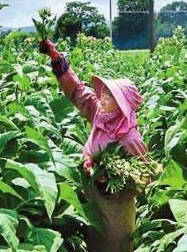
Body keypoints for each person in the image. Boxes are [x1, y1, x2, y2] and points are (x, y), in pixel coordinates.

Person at [38, 39, 149, 171]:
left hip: (110, 192)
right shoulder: (100, 112)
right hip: (89, 187)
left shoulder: (131, 139)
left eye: (108, 98)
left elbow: (144, 175)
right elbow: (77, 91)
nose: (102, 100)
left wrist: (106, 176)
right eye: (103, 95)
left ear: (121, 105)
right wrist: (55, 56)